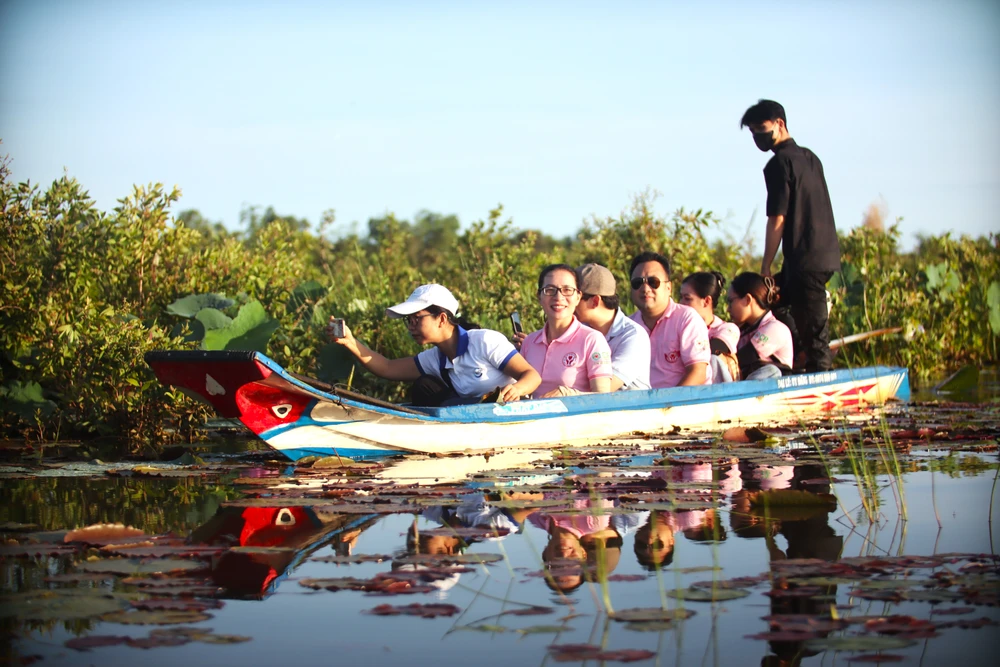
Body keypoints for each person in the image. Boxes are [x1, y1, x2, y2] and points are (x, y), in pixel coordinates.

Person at [740, 99, 841, 373]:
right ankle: (794, 359)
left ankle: (820, 378)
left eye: (761, 129)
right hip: (825, 253)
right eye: (753, 133)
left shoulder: (778, 164)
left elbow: (777, 218)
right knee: (778, 305)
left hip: (805, 259)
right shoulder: (810, 157)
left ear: (779, 124)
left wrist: (766, 264)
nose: (758, 138)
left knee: (815, 333)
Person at [327, 283, 540, 406]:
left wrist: (516, 389)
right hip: (471, 423)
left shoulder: (484, 341)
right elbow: (387, 367)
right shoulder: (434, 358)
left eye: (416, 319)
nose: (411, 326)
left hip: (508, 416)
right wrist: (351, 342)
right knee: (424, 386)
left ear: (441, 319)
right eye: (408, 320)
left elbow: (532, 376)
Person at [520, 264, 613, 398]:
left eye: (567, 290)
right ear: (539, 297)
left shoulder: (592, 339)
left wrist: (568, 394)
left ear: (578, 297)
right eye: (550, 290)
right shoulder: (530, 342)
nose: (558, 297)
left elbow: (603, 398)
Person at [628, 251, 712, 387]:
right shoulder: (628, 326)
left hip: (685, 403)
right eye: (637, 282)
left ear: (669, 287)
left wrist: (668, 407)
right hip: (641, 405)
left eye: (653, 282)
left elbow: (698, 372)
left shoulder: (687, 319)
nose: (645, 288)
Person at [573, 263, 651, 390]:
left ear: (595, 301)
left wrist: (565, 392)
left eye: (576, 297)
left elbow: (605, 388)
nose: (569, 303)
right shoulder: (579, 329)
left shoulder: (633, 336)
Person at [727, 272, 794, 380]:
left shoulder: (775, 328)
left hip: (773, 391)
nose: (728, 309)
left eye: (730, 302)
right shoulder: (744, 329)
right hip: (746, 386)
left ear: (748, 299)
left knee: (771, 371)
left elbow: (743, 358)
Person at [679, 271, 740, 383]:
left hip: (719, 390)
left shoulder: (727, 329)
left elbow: (708, 350)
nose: (681, 303)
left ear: (706, 301)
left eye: (687, 298)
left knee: (713, 360)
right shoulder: (677, 328)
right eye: (681, 297)